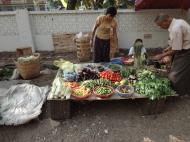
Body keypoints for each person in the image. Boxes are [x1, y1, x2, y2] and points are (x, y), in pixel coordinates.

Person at [153, 13, 190, 95]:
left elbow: (177, 49)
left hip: (186, 52)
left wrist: (161, 56)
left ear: (165, 21)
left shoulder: (176, 28)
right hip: (183, 49)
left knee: (174, 75)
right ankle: (185, 91)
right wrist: (169, 47)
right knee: (183, 72)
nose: (160, 27)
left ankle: (179, 93)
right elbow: (179, 41)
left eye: (160, 25)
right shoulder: (179, 22)